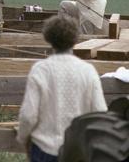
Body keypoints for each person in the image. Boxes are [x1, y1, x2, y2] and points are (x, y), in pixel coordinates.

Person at [17, 15, 107, 161]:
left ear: (48, 38)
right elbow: (100, 114)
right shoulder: (88, 71)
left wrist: (23, 138)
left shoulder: (40, 70)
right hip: (78, 151)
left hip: (45, 149)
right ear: (75, 39)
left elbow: (28, 116)